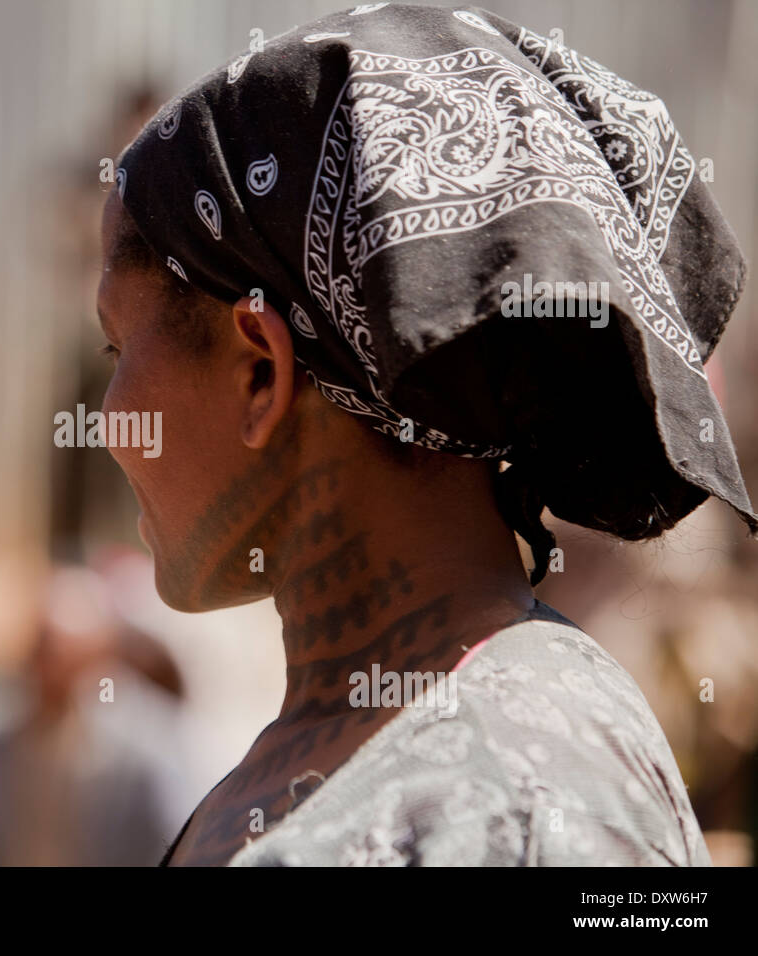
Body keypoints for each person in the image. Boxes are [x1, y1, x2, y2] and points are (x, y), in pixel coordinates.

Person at [94, 4, 756, 866]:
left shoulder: (521, 799)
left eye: (118, 349)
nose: (106, 424)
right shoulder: (360, 751)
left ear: (259, 370)